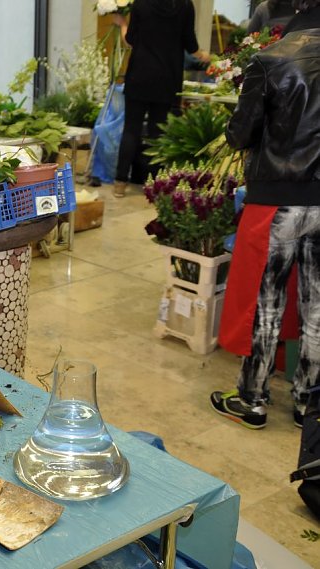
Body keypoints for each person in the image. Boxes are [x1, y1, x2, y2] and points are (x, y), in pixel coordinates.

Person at [211, 0, 320, 433]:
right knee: (316, 304)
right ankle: (307, 403)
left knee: (267, 299)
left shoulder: (270, 59)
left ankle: (253, 398)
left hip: (276, 196)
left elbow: (240, 134)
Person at [112, 0, 210, 197]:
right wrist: (203, 55)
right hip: (167, 77)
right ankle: (155, 184)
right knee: (158, 132)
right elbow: (190, 44)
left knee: (131, 129)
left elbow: (130, 39)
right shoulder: (185, 5)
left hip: (139, 75)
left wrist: (122, 24)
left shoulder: (141, 3)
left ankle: (120, 183)